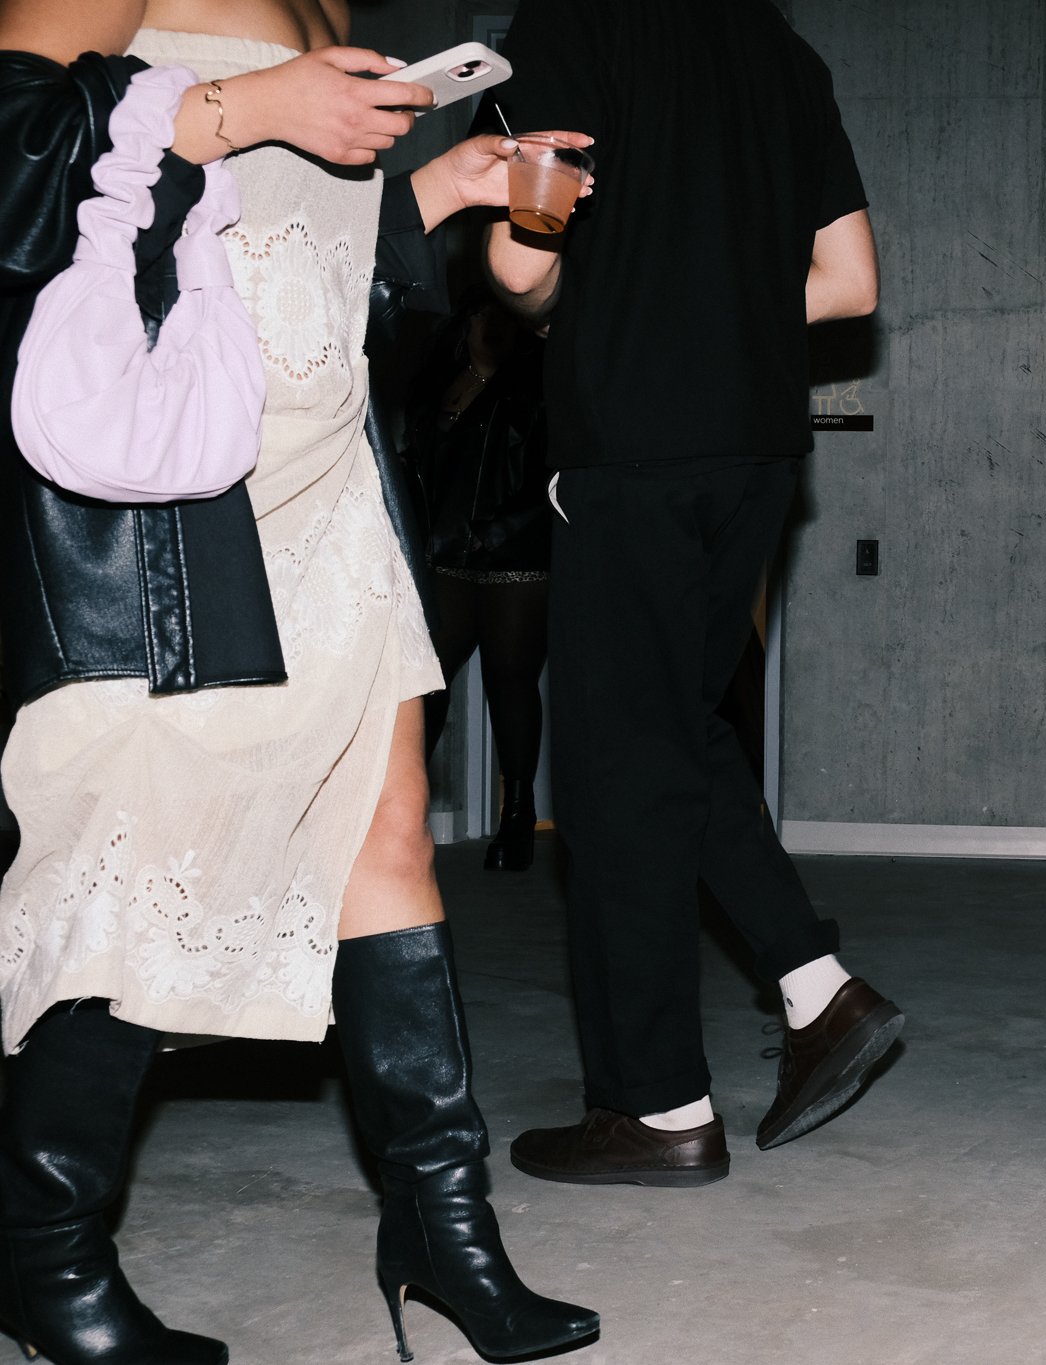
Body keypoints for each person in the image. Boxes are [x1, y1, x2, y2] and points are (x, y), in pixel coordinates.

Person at [0, 1, 599, 1359]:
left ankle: (444, 1231)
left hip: (329, 471)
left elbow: (304, 235)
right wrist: (256, 106)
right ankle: (43, 1253)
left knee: (385, 837)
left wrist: (448, 182)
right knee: (124, 857)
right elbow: (17, 148)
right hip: (174, 479)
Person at [484, 0, 901, 1188]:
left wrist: (575, 296)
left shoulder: (573, 31)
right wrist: (719, 315)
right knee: (672, 731)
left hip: (631, 449)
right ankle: (818, 989)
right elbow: (850, 282)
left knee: (617, 775)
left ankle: (655, 1106)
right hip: (755, 457)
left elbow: (523, 258)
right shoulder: (782, 50)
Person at [405, 296, 554, 872]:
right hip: (447, 553)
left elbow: (552, 472)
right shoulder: (446, 381)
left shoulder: (538, 381)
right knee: (426, 679)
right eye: (480, 314)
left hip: (515, 555)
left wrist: (499, 534)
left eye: (500, 317)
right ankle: (402, 805)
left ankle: (517, 817)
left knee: (510, 683)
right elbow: (423, 458)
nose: (489, 325)